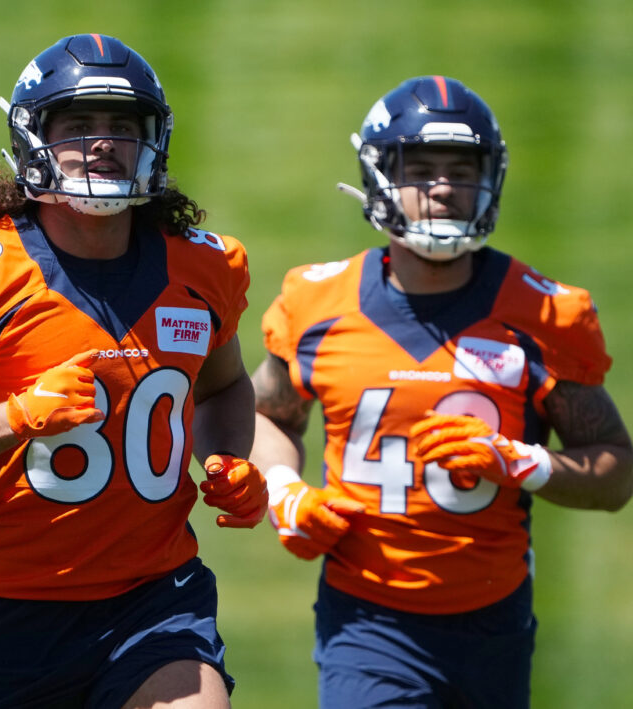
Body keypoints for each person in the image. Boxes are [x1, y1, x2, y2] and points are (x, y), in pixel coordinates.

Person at [0, 33, 267, 709]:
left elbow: (224, 385)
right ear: (33, 138)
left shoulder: (205, 266)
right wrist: (15, 417)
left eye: (122, 126)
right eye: (78, 124)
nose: (102, 143)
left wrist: (226, 460)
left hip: (156, 599)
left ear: (152, 139)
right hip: (13, 614)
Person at [250, 75, 633, 708]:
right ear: (379, 177)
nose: (445, 188)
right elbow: (267, 417)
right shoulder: (316, 301)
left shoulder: (546, 314)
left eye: (462, 169)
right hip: (365, 619)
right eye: (421, 169)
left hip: (495, 616)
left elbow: (615, 473)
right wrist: (284, 492)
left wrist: (525, 463)